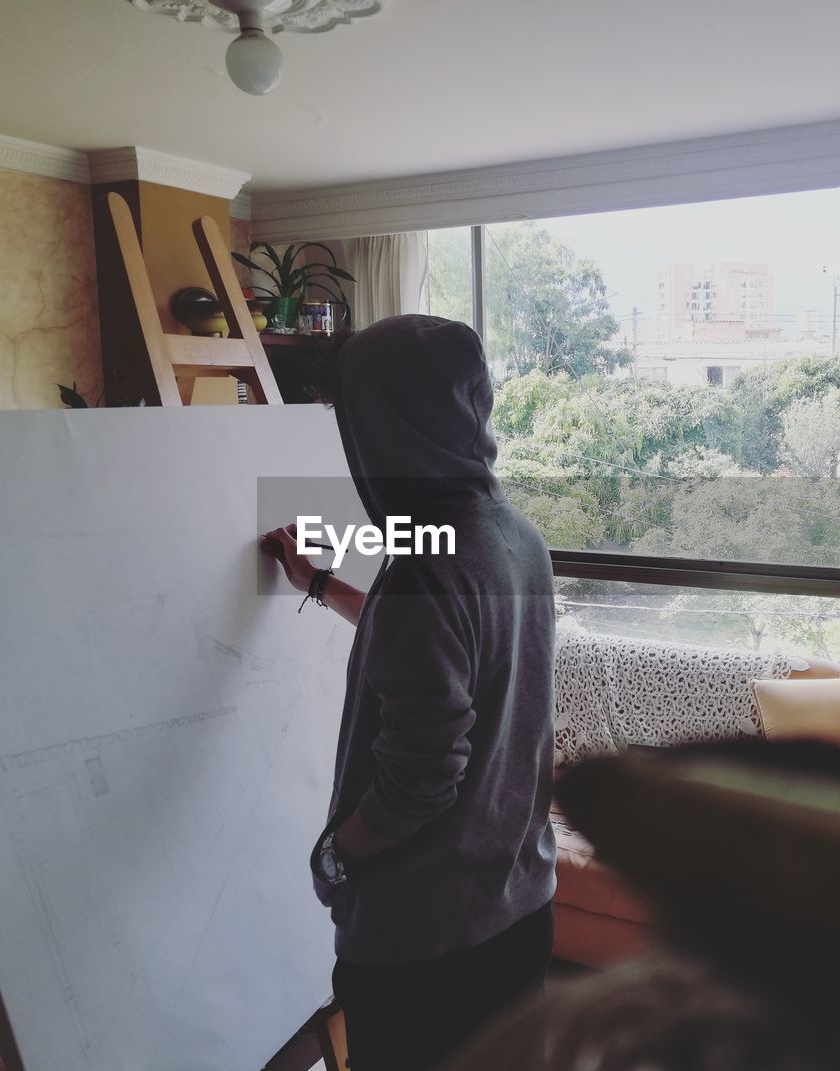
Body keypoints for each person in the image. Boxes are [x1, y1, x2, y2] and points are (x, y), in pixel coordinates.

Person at [262, 315, 557, 1071]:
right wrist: (322, 584)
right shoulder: (513, 534)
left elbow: (423, 774)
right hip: (519, 907)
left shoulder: (425, 567)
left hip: (428, 944)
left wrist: (336, 853)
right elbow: (444, 649)